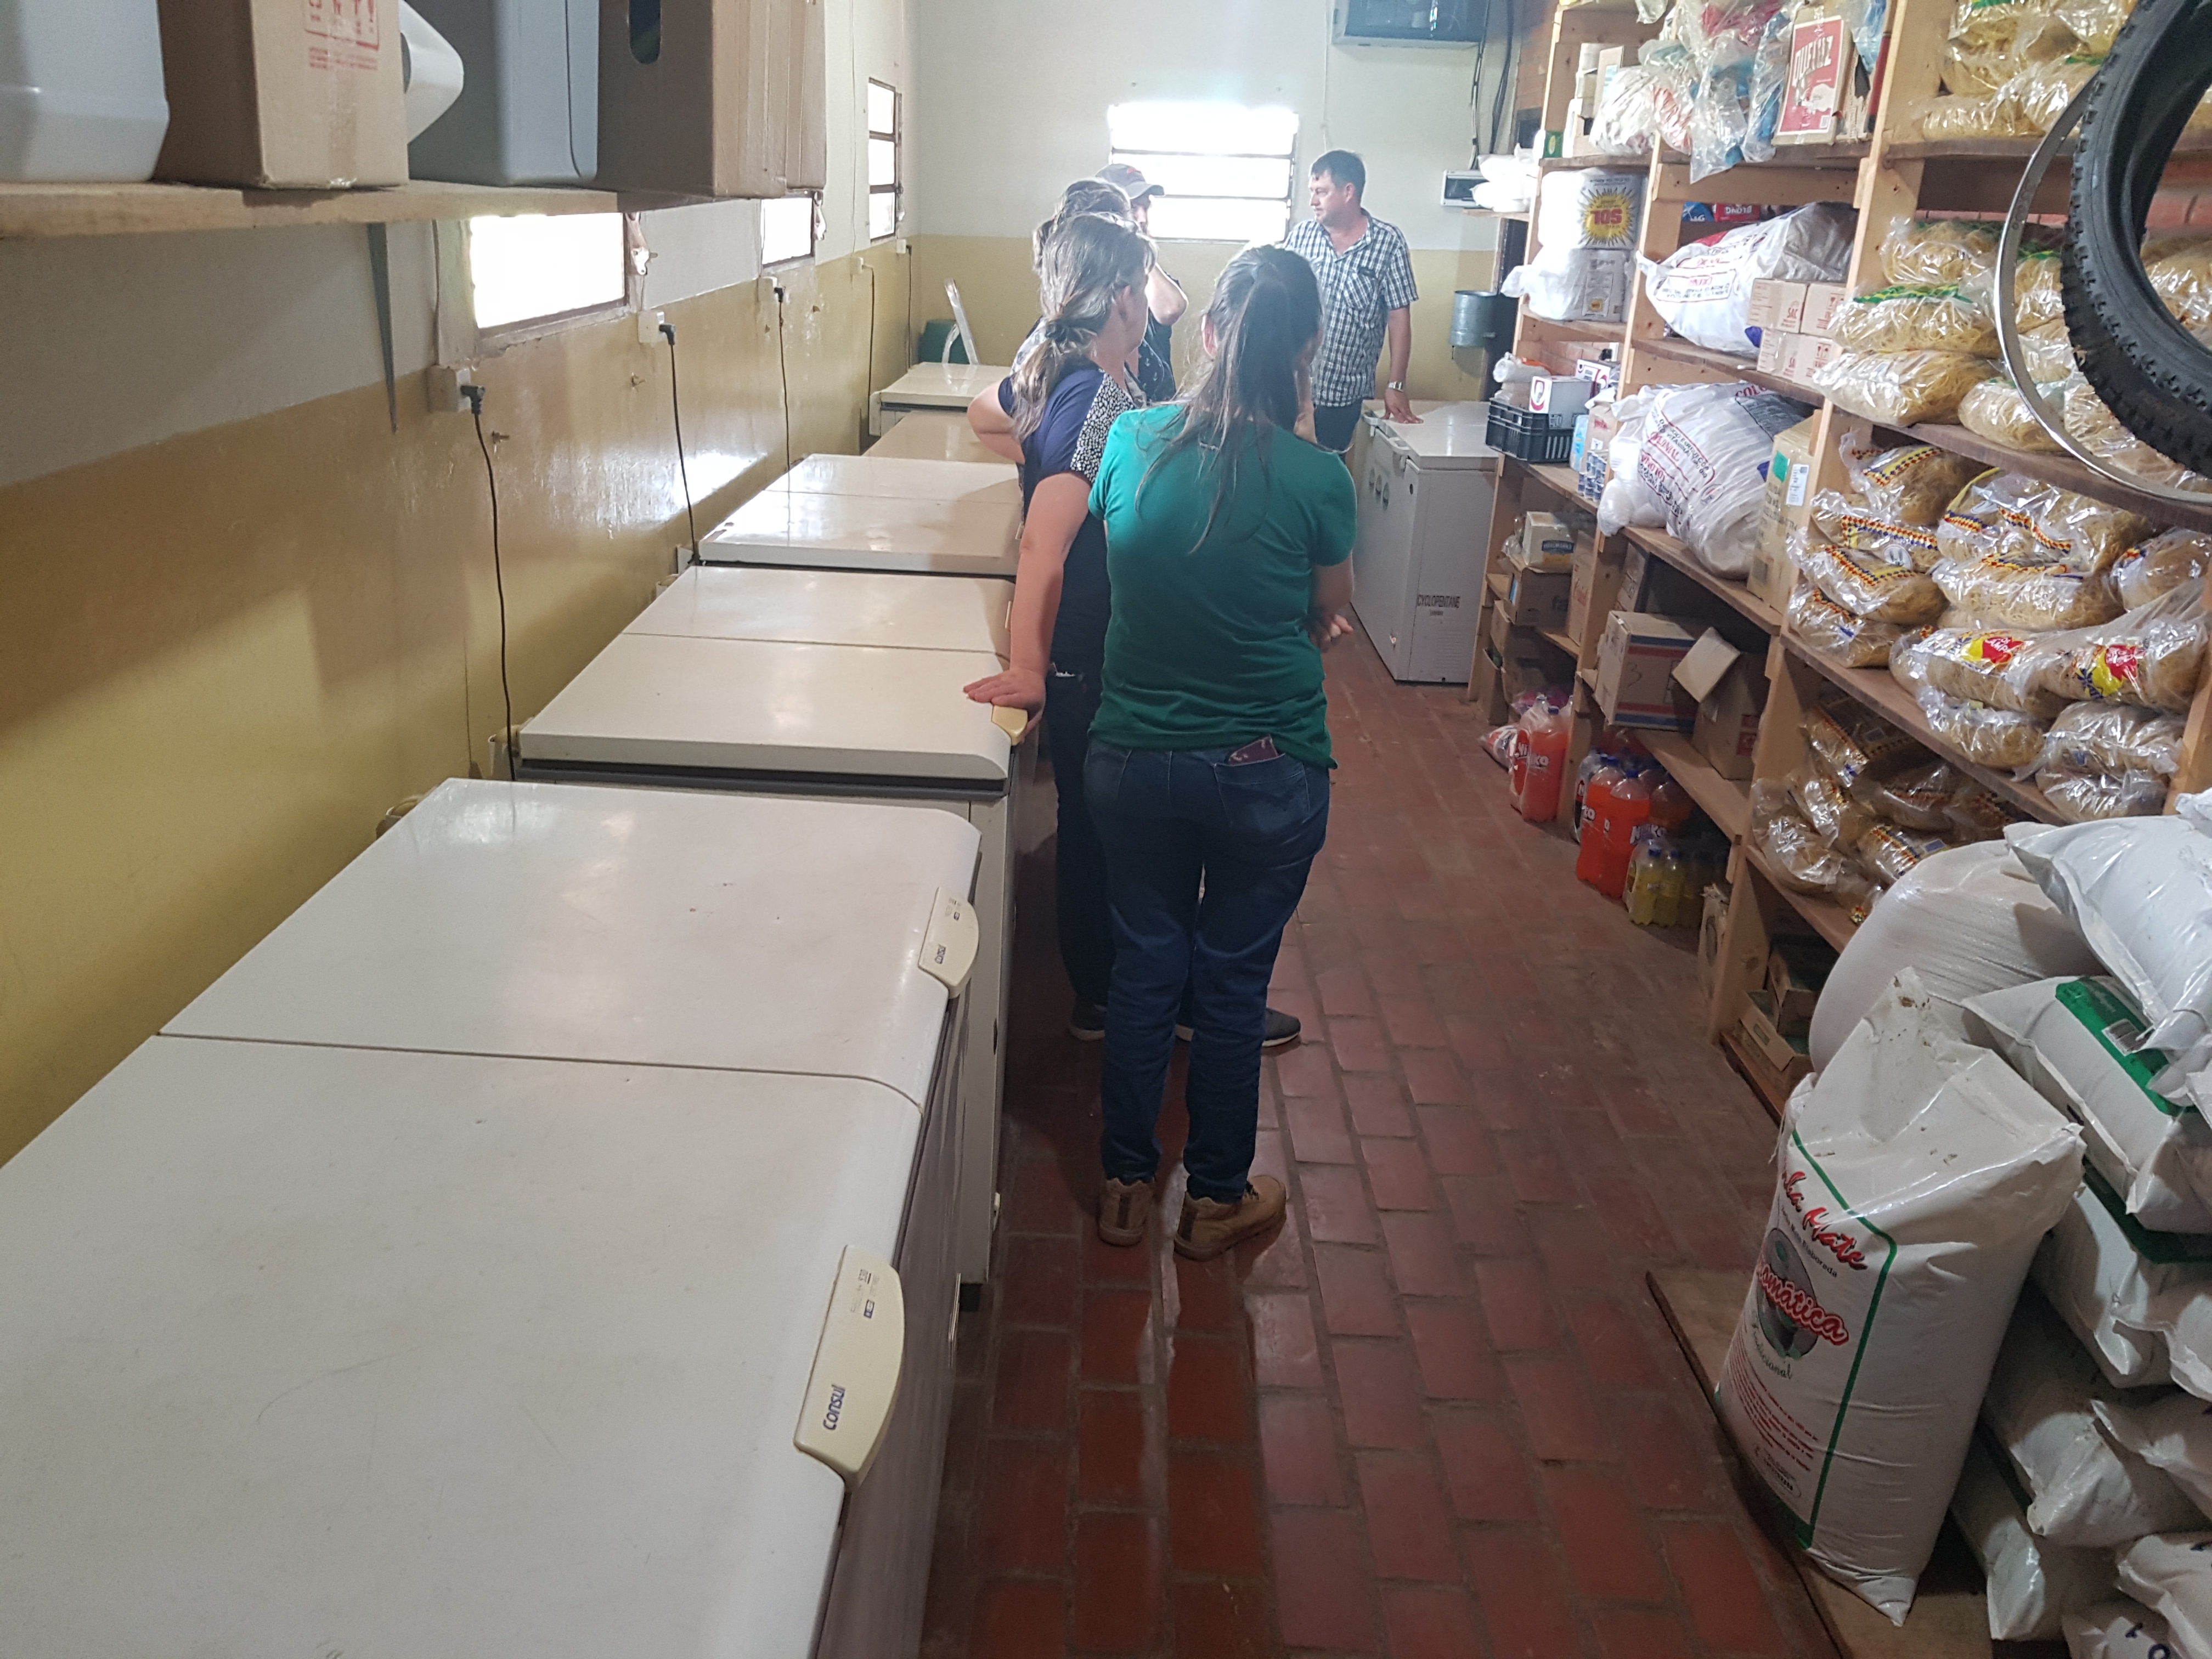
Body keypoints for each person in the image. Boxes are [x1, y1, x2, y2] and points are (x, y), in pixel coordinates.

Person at [966, 218, 1305, 1053]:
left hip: (1089, 644)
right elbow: (1045, 542)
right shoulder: (1098, 398)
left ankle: (1112, 991)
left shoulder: (1067, 372)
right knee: (1101, 837)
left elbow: (991, 422)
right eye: (1143, 285)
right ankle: (1115, 996)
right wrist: (1031, 667)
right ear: (1123, 296)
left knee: (1096, 828)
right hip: (1086, 650)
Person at [1083, 246, 1356, 1260]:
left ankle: (1122, 1184)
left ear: (1204, 334)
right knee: (1232, 986)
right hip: (1265, 767)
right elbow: (1330, 608)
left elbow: (1125, 557)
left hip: (1132, 760)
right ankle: (1214, 1199)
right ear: (1308, 348)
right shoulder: (1318, 475)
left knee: (1145, 965)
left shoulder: (1132, 436)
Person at [1282, 148, 1421, 455]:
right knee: (1284, 469)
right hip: (1291, 388)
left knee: (1328, 473)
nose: (1313, 201)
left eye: (1321, 192)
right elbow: (1278, 299)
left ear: (1348, 192)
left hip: (1344, 396)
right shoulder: (1302, 236)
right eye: (1312, 191)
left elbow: (1399, 317)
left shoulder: (1387, 243)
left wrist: (1396, 385)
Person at [1097, 161, 1188, 403]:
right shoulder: (1090, 285)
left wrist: (1138, 248)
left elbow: (1171, 309)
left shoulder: (1146, 272)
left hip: (1157, 409)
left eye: (1146, 208)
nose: (1143, 218)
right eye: (1134, 208)